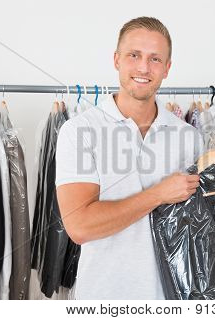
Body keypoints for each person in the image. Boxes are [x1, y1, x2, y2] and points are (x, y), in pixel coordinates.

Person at [55, 16, 204, 299]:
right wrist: (158, 194)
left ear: (167, 68)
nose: (143, 68)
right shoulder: (79, 131)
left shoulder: (189, 137)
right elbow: (80, 227)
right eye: (134, 55)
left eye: (155, 59)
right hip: (103, 299)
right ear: (117, 60)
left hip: (173, 299)